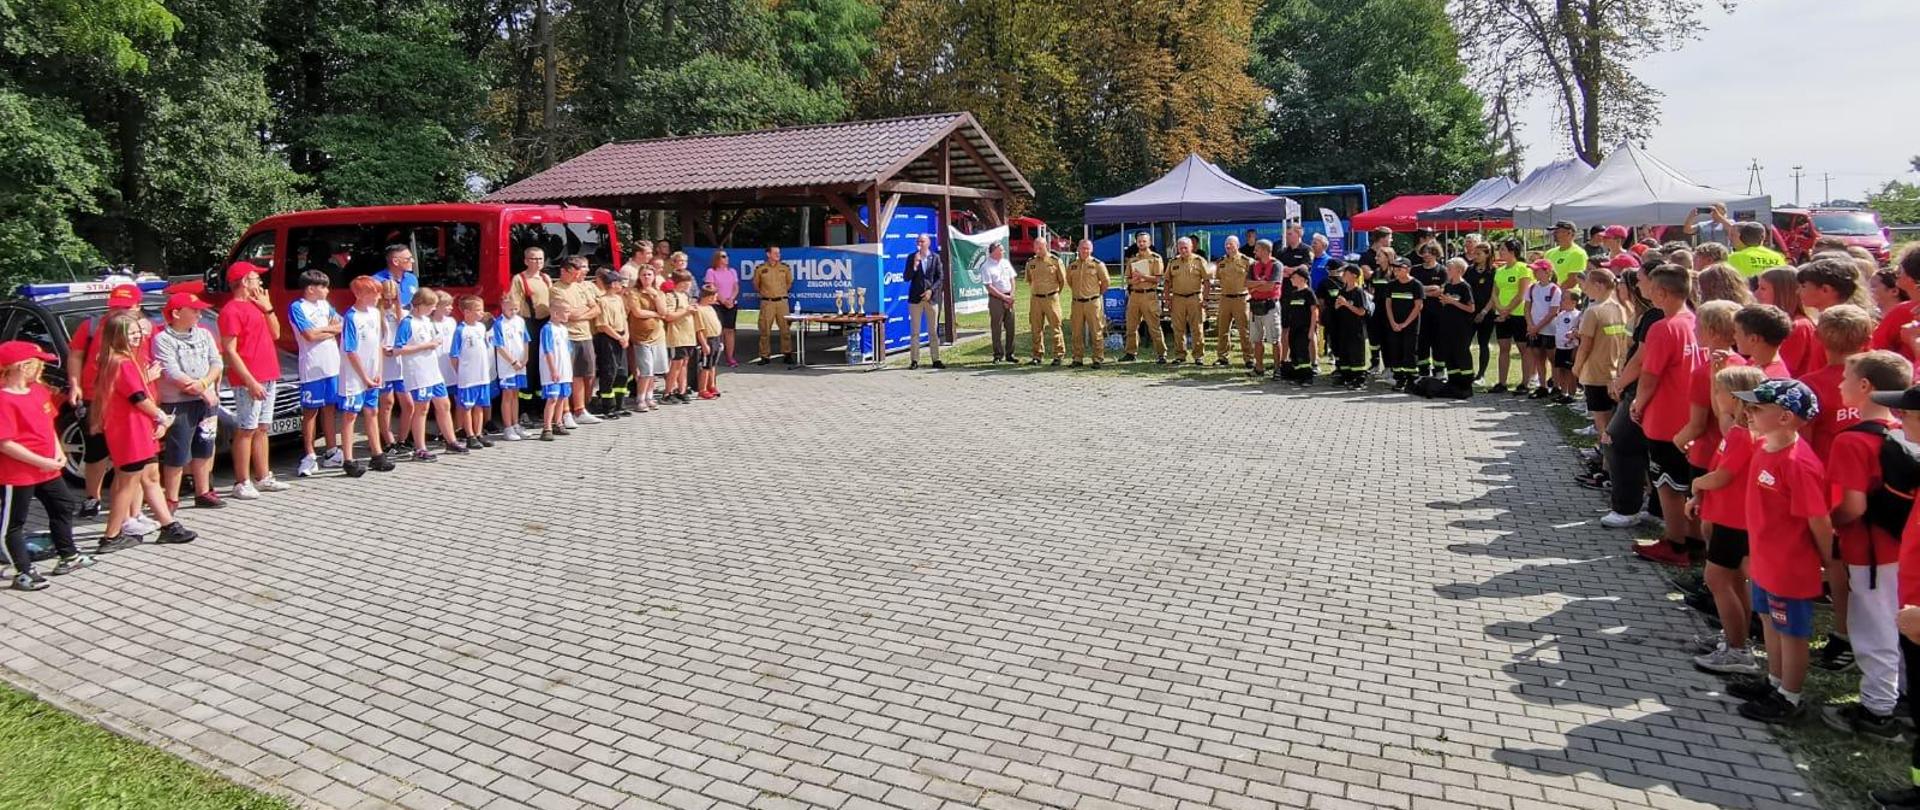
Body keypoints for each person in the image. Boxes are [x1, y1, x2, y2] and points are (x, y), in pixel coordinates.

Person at [1818, 351, 1913, 739]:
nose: (1840, 384)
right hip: (1904, 548)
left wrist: (1828, 524)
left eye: (1845, 377)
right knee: (1903, 625)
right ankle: (1903, 698)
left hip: (1870, 552)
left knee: (1873, 629)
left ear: (1864, 386)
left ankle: (1877, 711)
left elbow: (1853, 506)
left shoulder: (1852, 440)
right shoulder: (1903, 430)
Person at [1727, 378, 1832, 723]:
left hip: (1790, 565)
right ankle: (1774, 680)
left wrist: (1827, 561)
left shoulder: (1798, 463)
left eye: (1757, 408)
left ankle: (1790, 696)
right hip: (1765, 559)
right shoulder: (1763, 446)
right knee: (1768, 620)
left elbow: (1818, 520)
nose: (1748, 412)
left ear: (1785, 417)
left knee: (1792, 632)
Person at [1688, 364, 1768, 676]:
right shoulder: (1738, 431)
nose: (1715, 396)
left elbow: (1723, 475)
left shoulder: (1742, 435)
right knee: (1733, 581)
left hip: (1733, 521)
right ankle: (1735, 636)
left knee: (1717, 579)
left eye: (1718, 390)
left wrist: (1697, 484)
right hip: (1730, 517)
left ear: (1735, 397)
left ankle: (1737, 649)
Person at [92, 312, 195, 550]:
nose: (137, 336)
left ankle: (169, 526)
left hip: (135, 428)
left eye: (138, 332)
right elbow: (138, 398)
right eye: (131, 333)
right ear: (117, 336)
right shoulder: (123, 363)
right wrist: (161, 417)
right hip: (130, 431)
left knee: (150, 477)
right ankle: (111, 536)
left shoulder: (117, 360)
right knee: (127, 484)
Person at [0, 341, 92, 589]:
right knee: (13, 523)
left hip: (47, 469)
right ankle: (23, 571)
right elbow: (5, 443)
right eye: (38, 363)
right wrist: (42, 461)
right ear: (21, 366)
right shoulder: (4, 399)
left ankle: (68, 555)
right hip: (18, 473)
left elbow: (48, 425)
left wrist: (58, 451)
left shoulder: (38, 391)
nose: (42, 368)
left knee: (63, 505)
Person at [1627, 265, 1701, 564]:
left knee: (1668, 485)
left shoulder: (1663, 327)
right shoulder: (1695, 321)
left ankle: (1676, 543)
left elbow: (1650, 375)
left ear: (1661, 292)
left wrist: (1638, 404)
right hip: (1692, 416)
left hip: (1665, 417)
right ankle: (1694, 540)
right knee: (1689, 483)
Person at [218, 263, 288, 500]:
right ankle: (241, 481)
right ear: (244, 282)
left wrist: (268, 309)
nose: (259, 282)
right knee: (246, 428)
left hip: (268, 374)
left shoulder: (257, 305)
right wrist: (250, 381)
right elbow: (230, 350)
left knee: (262, 427)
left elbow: (276, 333)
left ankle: (263, 476)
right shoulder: (231, 310)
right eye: (255, 278)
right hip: (248, 378)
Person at [150, 293, 224, 508]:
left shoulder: (204, 334)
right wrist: (200, 389)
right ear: (176, 313)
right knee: (178, 450)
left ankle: (203, 492)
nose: (199, 315)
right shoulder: (162, 339)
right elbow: (171, 371)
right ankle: (171, 498)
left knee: (205, 445)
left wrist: (204, 384)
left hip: (206, 401)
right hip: (178, 403)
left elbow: (216, 362)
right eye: (194, 310)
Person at [391, 289, 457, 461]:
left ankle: (451, 441)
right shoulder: (407, 322)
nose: (433, 309)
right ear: (419, 304)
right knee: (422, 409)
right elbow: (398, 349)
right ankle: (420, 448)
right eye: (431, 306)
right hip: (418, 371)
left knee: (444, 405)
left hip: (433, 370)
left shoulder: (427, 321)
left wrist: (433, 343)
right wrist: (426, 346)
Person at [1801, 305, 1875, 458]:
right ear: (1868, 340)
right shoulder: (1882, 375)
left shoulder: (1808, 385)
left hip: (1829, 468)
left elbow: (1803, 442)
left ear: (1817, 336)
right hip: (1877, 466)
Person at [289, 270, 343, 478]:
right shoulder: (297, 307)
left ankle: (331, 450)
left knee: (330, 408)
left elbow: (341, 324)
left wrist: (325, 330)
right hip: (312, 367)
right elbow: (309, 335)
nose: (327, 290)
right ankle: (310, 454)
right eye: (323, 287)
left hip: (332, 364)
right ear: (311, 289)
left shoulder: (325, 305)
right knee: (311, 411)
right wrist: (329, 329)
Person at [336, 277, 393, 475]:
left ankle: (377, 454)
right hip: (354, 375)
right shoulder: (351, 317)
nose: (378, 297)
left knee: (372, 411)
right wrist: (364, 377)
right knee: (350, 414)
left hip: (372, 373)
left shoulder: (375, 313)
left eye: (378, 293)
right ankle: (348, 459)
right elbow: (351, 351)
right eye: (373, 293)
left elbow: (378, 344)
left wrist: (378, 372)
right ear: (359, 294)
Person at [1573, 270, 1628, 442]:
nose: (1584, 288)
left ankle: (1604, 454)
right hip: (1615, 371)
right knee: (1613, 419)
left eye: (1587, 284)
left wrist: (1577, 367)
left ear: (1598, 285)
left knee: (1601, 422)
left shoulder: (1593, 311)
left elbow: (1585, 346)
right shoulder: (1621, 309)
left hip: (1595, 373)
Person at [551, 257, 602, 427]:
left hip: (585, 335)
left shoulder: (580, 287)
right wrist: (581, 312)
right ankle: (565, 412)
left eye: (577, 273)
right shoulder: (556, 289)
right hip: (568, 336)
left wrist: (579, 314)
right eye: (573, 273)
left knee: (583, 374)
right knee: (567, 375)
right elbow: (568, 314)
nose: (576, 277)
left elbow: (596, 309)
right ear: (563, 271)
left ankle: (580, 410)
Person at [507, 246, 552, 413]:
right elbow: (514, 304)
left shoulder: (546, 278)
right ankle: (525, 408)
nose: (538, 262)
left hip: (545, 323)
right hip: (529, 323)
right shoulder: (519, 279)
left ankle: (541, 405)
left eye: (540, 259)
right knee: (530, 364)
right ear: (526, 261)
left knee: (543, 363)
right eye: (534, 258)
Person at [1754, 267, 1820, 377]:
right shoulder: (1774, 322)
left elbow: (1781, 369)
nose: (1756, 294)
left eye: (1763, 289)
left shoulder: (1798, 326)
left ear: (1783, 293)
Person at [449, 295, 495, 449]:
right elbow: (454, 355)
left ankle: (478, 432)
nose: (482, 313)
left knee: (480, 405)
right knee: (467, 406)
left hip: (482, 375)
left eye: (482, 309)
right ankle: (470, 435)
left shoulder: (481, 327)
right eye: (478, 310)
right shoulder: (460, 330)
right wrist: (460, 372)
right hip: (468, 377)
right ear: (467, 312)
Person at [1487, 240, 1532, 393]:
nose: (1500, 252)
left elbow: (1521, 294)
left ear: (1513, 252)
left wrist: (1507, 310)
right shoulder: (1499, 270)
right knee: (1503, 348)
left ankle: (1525, 383)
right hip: (1501, 314)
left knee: (1523, 349)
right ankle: (1502, 382)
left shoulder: (1523, 268)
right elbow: (1494, 292)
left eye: (1503, 249)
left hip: (1519, 314)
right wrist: (1500, 309)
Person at [1431, 258, 1478, 394]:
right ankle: (1453, 381)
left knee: (1461, 353)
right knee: (1449, 353)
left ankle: (1466, 382)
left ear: (1459, 270)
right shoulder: (1448, 286)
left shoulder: (1464, 286)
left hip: (1461, 327)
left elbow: (1471, 308)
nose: (1447, 271)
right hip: (1447, 325)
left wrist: (1452, 302)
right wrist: (1444, 301)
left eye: (1450, 268)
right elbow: (1445, 302)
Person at [624, 265, 667, 411]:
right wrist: (655, 314)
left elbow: (664, 312)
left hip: (657, 335)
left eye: (649, 274)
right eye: (644, 275)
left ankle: (650, 396)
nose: (646, 277)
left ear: (654, 276)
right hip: (641, 336)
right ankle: (640, 398)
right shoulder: (634, 292)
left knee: (653, 369)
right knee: (645, 369)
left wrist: (655, 296)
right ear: (639, 277)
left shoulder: (659, 293)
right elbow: (637, 312)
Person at [1120, 232, 1167, 363]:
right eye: (1139, 241)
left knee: (1154, 326)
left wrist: (1143, 277)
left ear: (1149, 242)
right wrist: (1133, 281)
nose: (1141, 243)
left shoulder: (1155, 258)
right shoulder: (1133, 260)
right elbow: (1127, 279)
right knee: (1131, 326)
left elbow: (1158, 279)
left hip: (1149, 295)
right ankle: (1130, 353)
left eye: (1144, 241)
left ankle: (1161, 354)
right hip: (1135, 295)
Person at [589, 268, 630, 417]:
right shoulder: (602, 301)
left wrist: (626, 335)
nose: (621, 285)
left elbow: (624, 319)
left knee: (622, 373)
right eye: (619, 282)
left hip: (621, 337)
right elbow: (602, 325)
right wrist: (619, 337)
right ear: (612, 284)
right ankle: (608, 406)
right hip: (608, 339)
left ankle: (620, 404)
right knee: (609, 372)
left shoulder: (618, 299)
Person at [1163, 238, 1208, 366]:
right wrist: (1167, 299)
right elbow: (1167, 282)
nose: (1183, 250)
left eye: (1185, 248)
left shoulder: (1199, 261)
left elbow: (1207, 281)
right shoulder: (1173, 262)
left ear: (1191, 247)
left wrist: (1205, 299)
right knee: (1178, 328)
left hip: (1195, 298)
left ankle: (1198, 356)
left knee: (1197, 328)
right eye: (1180, 248)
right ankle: (1180, 355)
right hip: (1178, 298)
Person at [1382, 259, 1424, 390]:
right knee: (1395, 350)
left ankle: (1411, 379)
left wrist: (1405, 324)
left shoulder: (1416, 285)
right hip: (1394, 324)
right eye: (1394, 269)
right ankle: (1399, 378)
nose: (1396, 272)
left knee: (1409, 351)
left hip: (1410, 325)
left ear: (1408, 269)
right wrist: (1393, 322)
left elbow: (1418, 306)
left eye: (1399, 269)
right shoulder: (1391, 285)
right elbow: (1388, 304)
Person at [1520, 260, 1561, 397]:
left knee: (1553, 359)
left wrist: (1537, 327)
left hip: (1550, 330)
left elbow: (1553, 312)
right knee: (1538, 358)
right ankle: (1542, 386)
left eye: (1537, 270)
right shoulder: (1532, 288)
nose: (1534, 273)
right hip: (1534, 329)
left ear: (1547, 272)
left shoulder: (1554, 289)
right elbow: (1527, 308)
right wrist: (1530, 325)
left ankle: (1556, 386)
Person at [1065, 240, 1108, 368]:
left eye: (1087, 248)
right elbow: (1070, 281)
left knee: (1096, 331)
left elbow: (1106, 282)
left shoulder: (1098, 264)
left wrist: (1096, 294)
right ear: (1078, 249)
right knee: (1076, 332)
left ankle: (1098, 358)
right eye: (1083, 248)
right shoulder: (1072, 266)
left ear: (1091, 250)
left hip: (1092, 302)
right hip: (1077, 303)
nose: (1085, 251)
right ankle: (1077, 358)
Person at [492, 294, 530, 440]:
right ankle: (507, 427)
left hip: (520, 365)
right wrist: (513, 361)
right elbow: (499, 346)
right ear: (503, 306)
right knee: (507, 395)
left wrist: (525, 358)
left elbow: (525, 340)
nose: (513, 312)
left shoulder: (520, 321)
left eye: (516, 309)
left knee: (515, 394)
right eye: (510, 309)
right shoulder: (499, 323)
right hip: (507, 366)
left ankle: (515, 424)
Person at [901, 237, 942, 370]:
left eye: (922, 241)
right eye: (918, 242)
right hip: (915, 299)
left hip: (931, 299)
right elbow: (906, 277)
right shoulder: (911, 257)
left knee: (933, 331)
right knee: (915, 332)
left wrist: (931, 290)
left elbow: (940, 277)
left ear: (928, 243)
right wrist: (914, 265)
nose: (919, 244)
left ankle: (936, 359)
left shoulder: (935, 258)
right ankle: (914, 360)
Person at [1328, 264, 1371, 389]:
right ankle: (1346, 376)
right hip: (1343, 327)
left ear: (1354, 275)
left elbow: (1362, 311)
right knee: (1344, 352)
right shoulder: (1342, 291)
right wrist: (1337, 305)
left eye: (1345, 273)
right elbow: (1337, 308)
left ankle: (1359, 378)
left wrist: (1346, 304)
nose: (1343, 275)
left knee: (1356, 353)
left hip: (1355, 328)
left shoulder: (1359, 292)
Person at [1024, 242, 1067, 366]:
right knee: (1036, 328)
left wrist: (1055, 294)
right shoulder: (1031, 262)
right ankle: (1037, 355)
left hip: (1051, 298)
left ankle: (1058, 355)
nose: (1037, 250)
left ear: (1046, 247)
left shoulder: (1055, 261)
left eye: (1040, 248)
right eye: (1035, 248)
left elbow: (1062, 281)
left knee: (1055, 327)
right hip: (1036, 299)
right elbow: (1029, 280)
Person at [538, 297, 574, 440]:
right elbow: (548, 350)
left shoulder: (564, 329)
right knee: (552, 398)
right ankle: (546, 428)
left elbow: (568, 349)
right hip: (552, 370)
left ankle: (558, 423)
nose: (568, 314)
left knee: (562, 397)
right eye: (566, 312)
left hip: (565, 370)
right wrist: (553, 369)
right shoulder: (547, 329)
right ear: (555, 313)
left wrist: (569, 368)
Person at [1212, 236, 1251, 368]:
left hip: (1241, 298)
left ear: (1237, 246)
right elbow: (1218, 278)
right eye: (1226, 245)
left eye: (1231, 244)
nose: (1228, 247)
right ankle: (1222, 357)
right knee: (1222, 329)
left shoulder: (1247, 261)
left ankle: (1249, 358)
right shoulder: (1221, 262)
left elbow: (1253, 278)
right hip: (1225, 298)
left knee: (1244, 330)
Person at [975, 242, 1017, 363]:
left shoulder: (1005, 263)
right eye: (1001, 250)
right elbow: (989, 287)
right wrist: (1003, 297)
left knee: (1011, 326)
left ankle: (1010, 354)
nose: (1003, 252)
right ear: (994, 252)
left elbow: (1012, 279)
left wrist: (1011, 295)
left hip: (1009, 297)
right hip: (996, 299)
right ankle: (998, 354)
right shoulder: (986, 266)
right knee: (997, 327)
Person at [1361, 227, 1395, 374]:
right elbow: (1368, 277)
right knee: (1374, 335)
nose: (1376, 259)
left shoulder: (1393, 271)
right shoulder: (1372, 265)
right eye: (1389, 237)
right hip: (1376, 307)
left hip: (1390, 308)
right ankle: (1375, 363)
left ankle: (1390, 366)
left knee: (1388, 337)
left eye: (1379, 257)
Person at [661, 272, 699, 403]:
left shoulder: (685, 296)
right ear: (680, 282)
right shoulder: (671, 296)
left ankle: (681, 390)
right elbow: (669, 316)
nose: (689, 285)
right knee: (676, 364)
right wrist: (687, 310)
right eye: (687, 282)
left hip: (689, 335)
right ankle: (668, 392)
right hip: (677, 336)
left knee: (684, 364)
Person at [756, 245, 796, 367]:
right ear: (768, 254)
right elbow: (756, 284)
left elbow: (789, 283)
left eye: (779, 253)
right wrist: (767, 293)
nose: (778, 255)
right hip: (767, 302)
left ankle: (787, 354)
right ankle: (764, 356)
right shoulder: (761, 269)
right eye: (775, 253)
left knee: (785, 329)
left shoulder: (784, 268)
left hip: (782, 302)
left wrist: (780, 293)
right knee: (764, 330)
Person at [1246, 240, 1282, 377]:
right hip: (1255, 305)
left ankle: (1277, 369)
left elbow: (1271, 286)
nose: (1254, 251)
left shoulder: (1276, 265)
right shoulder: (1253, 265)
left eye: (1257, 249)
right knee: (1257, 339)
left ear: (1265, 250)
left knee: (1274, 339)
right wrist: (1261, 283)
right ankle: (1259, 368)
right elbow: (1246, 283)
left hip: (1270, 305)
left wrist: (1254, 287)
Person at [1465, 243, 1497, 382]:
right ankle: (1467, 371)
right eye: (1474, 253)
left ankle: (1481, 374)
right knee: (1465, 343)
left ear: (1487, 254)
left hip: (1487, 312)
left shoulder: (1494, 271)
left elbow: (1494, 295)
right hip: (1470, 311)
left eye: (1479, 254)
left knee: (1483, 343)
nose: (1475, 256)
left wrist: (1483, 312)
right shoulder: (1469, 270)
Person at [1278, 270, 1317, 384]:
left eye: (1293, 277)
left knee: (1302, 351)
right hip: (1294, 328)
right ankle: (1298, 375)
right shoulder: (1294, 293)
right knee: (1294, 352)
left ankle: (1307, 377)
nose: (1291, 280)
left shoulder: (1308, 293)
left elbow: (1314, 311)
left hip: (1304, 328)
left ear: (1302, 279)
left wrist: (1311, 330)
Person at [705, 251, 741, 366]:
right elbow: (712, 288)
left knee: (729, 330)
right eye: (723, 257)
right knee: (718, 330)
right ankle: (716, 355)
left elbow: (736, 287)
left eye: (727, 256)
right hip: (717, 304)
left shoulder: (732, 271)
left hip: (731, 304)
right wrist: (723, 300)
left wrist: (731, 299)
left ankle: (730, 357)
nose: (726, 259)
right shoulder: (711, 271)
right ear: (717, 259)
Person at [371, 244, 420, 316]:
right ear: (395, 261)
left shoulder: (412, 278)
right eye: (408, 259)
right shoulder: (375, 281)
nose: (412, 261)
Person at [695, 284, 724, 399]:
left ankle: (711, 385)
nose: (716, 298)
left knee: (713, 365)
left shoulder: (711, 308)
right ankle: (702, 389)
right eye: (715, 296)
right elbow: (699, 329)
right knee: (706, 365)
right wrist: (704, 344)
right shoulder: (699, 309)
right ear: (709, 297)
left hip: (716, 338)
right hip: (708, 340)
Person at [1545, 220, 1590, 287]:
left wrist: (1555, 291)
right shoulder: (1549, 253)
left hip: (1568, 292)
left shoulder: (1578, 254)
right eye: (1554, 231)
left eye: (1557, 231)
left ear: (1569, 233)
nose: (1554, 234)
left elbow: (1572, 281)